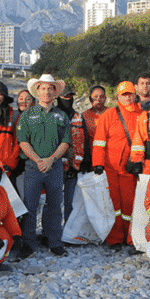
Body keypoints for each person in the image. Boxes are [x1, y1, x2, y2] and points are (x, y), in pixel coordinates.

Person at [16, 74, 72, 258]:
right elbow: (23, 141)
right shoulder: (27, 115)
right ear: (37, 91)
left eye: (50, 88)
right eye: (43, 88)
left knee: (55, 205)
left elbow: (65, 142)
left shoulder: (62, 116)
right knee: (30, 206)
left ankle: (54, 241)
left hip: (54, 167)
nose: (47, 91)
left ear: (55, 92)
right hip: (33, 167)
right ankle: (29, 244)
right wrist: (39, 160)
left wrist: (51, 160)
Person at [91, 81, 143, 249]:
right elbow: (99, 141)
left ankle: (130, 238)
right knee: (114, 205)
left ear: (135, 95)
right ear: (118, 96)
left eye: (130, 94)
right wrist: (98, 164)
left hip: (130, 170)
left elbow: (144, 141)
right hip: (111, 169)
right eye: (123, 94)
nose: (127, 97)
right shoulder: (109, 114)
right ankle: (114, 239)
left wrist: (139, 162)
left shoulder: (142, 115)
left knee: (130, 204)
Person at [57, 85, 87, 222]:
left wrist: (80, 165)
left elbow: (84, 141)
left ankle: (68, 233)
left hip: (73, 169)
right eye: (65, 97)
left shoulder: (79, 117)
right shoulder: (52, 115)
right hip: (55, 167)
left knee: (71, 203)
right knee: (53, 203)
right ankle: (52, 233)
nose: (68, 99)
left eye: (70, 97)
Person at [82, 84, 108, 149]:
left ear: (105, 98)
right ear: (90, 99)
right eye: (95, 96)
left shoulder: (112, 113)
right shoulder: (84, 116)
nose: (98, 99)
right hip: (91, 154)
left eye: (101, 96)